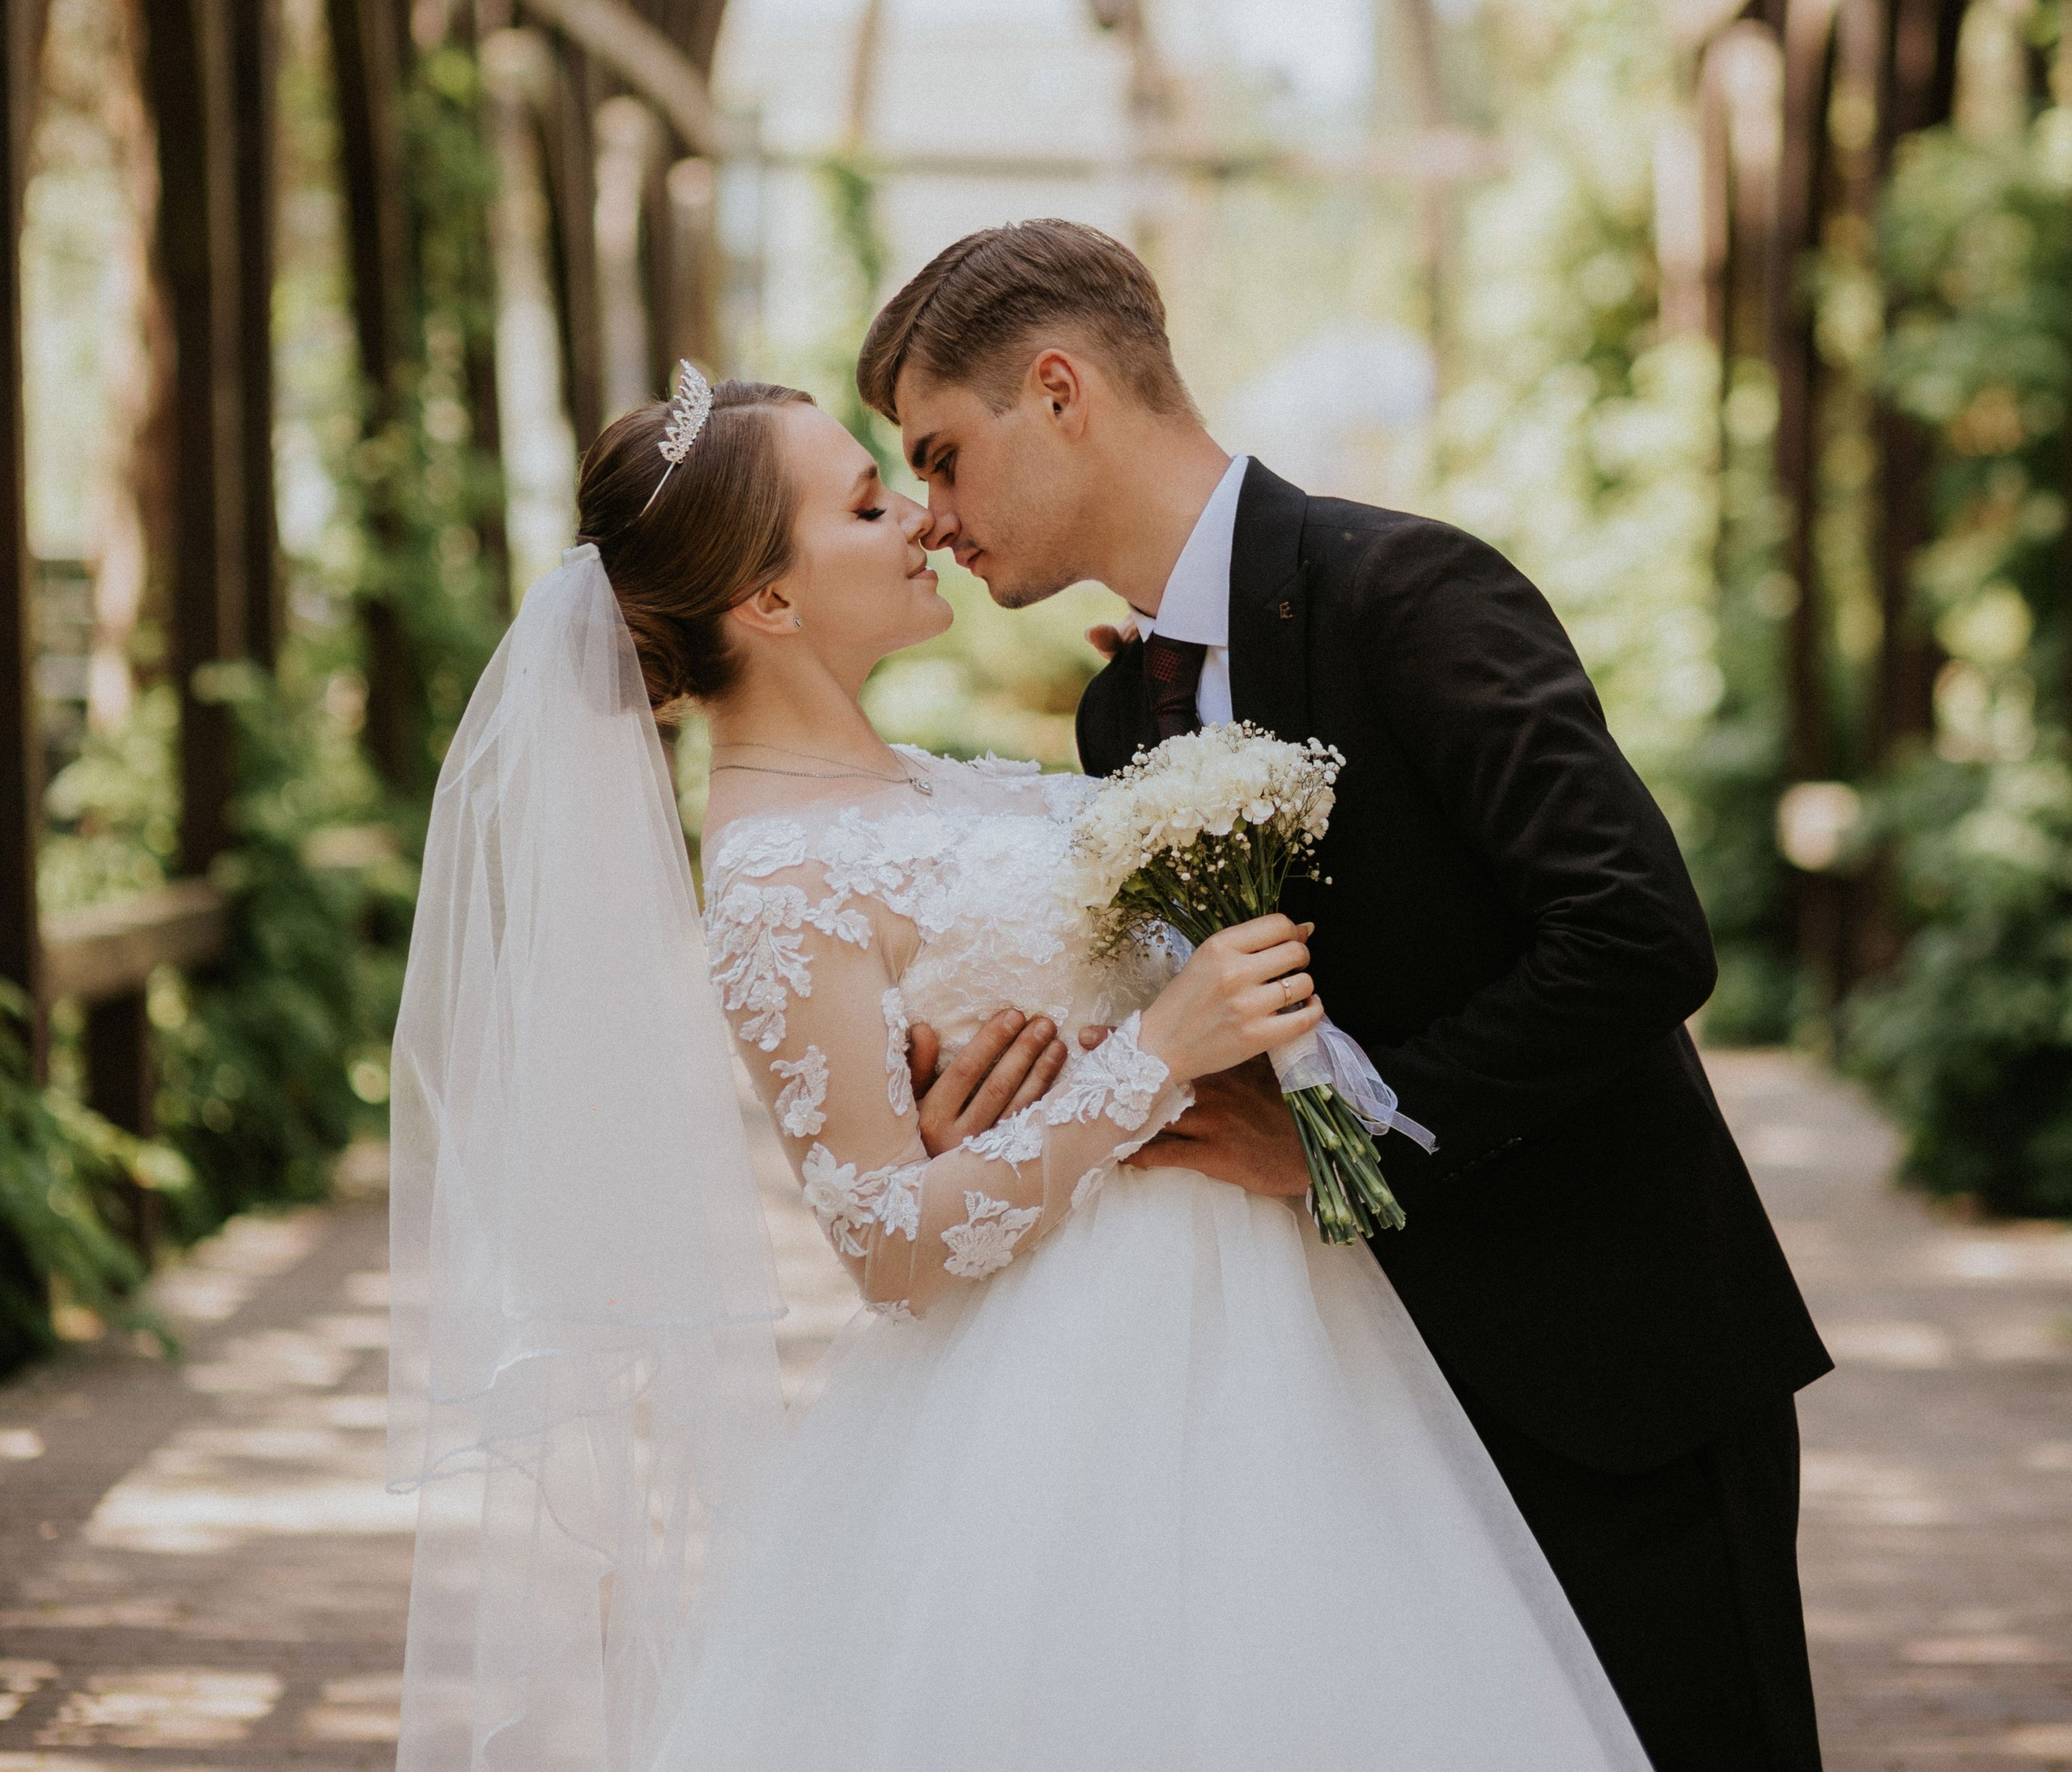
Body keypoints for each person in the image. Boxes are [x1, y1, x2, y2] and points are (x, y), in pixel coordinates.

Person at [392, 364, 1656, 1772]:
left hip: (1276, 1329)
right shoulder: (775, 879)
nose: (925, 523)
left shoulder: (933, 779)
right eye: (872, 503)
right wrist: (1156, 1065)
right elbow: (882, 1245)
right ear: (770, 602)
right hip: (1071, 1390)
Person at [856, 219, 1830, 1772]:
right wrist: (1011, 1076)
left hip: (1605, 1359)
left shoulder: (1405, 588)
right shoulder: (1125, 710)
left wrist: (1350, 1133)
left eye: (941, 457)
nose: (934, 518)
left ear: (1058, 390)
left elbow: (1638, 935)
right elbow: (1210, 1013)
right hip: (1355, 1406)